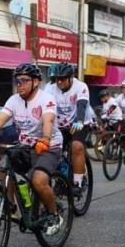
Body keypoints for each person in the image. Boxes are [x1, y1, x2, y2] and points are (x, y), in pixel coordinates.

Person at [0, 63, 64, 236]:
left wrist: (45, 139)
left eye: (24, 80)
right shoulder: (13, 100)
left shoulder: (46, 99)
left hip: (49, 146)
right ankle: (9, 205)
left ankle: (54, 215)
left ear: (35, 82)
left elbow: (48, 120)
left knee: (38, 180)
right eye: (17, 81)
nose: (19, 84)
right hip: (25, 146)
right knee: (5, 163)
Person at [44, 62, 93, 196]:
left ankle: (78, 181)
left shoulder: (81, 87)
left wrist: (79, 121)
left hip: (79, 122)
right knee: (52, 150)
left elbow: (82, 105)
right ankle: (61, 178)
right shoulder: (50, 88)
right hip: (59, 125)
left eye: (63, 78)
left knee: (76, 146)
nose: (59, 82)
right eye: (57, 78)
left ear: (71, 77)